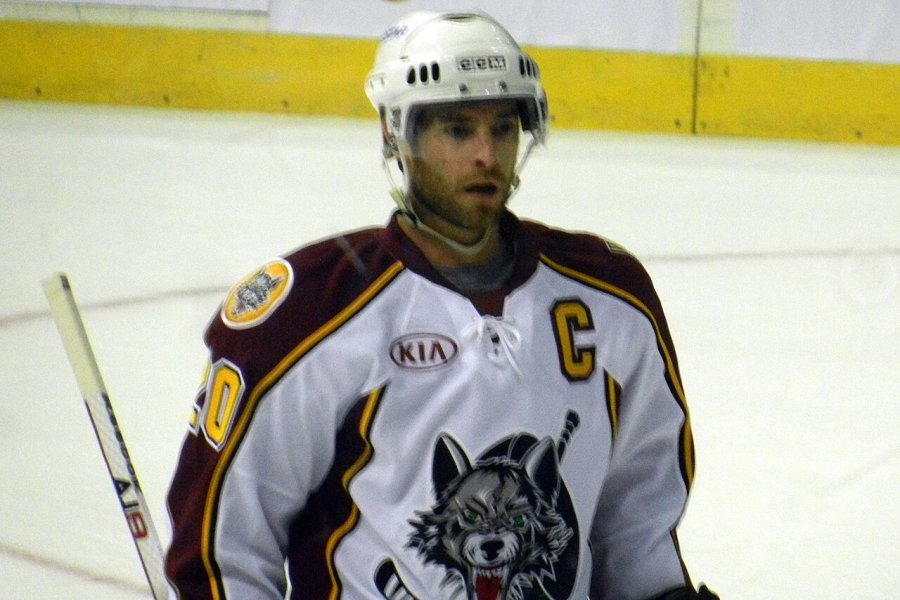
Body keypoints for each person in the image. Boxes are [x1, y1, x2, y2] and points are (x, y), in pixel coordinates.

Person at [164, 10, 719, 600]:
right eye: (457, 130)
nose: (486, 155)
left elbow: (636, 527)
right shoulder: (309, 314)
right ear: (396, 135)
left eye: (503, 128)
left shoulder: (610, 298)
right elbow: (224, 548)